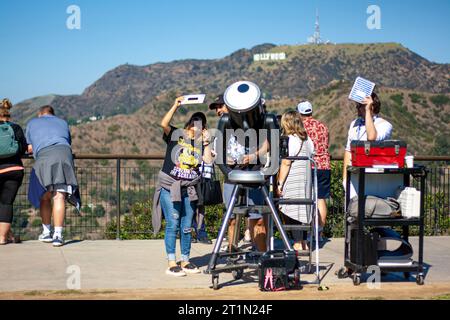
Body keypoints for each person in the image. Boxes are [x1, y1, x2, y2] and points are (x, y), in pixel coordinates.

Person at [152, 97, 213, 277]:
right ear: (188, 126)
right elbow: (163, 123)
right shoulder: (176, 135)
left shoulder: (202, 144)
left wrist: (207, 143)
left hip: (190, 189)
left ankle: (185, 259)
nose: (197, 129)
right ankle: (172, 261)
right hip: (170, 188)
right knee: (173, 223)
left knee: (187, 225)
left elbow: (208, 161)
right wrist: (176, 105)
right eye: (195, 125)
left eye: (201, 126)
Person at [209, 95, 266, 252]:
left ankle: (260, 254)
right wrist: (222, 158)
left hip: (253, 174)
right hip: (231, 176)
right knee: (231, 218)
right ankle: (232, 252)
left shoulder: (252, 122)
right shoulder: (222, 126)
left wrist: (254, 156)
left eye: (220, 106)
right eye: (216, 108)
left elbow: (267, 143)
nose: (218, 110)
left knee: (257, 219)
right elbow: (215, 152)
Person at [26, 105, 78, 247]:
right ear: (52, 114)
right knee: (59, 196)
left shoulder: (32, 123)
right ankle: (58, 235)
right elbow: (67, 141)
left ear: (40, 114)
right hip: (64, 155)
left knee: (45, 196)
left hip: (45, 156)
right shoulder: (63, 122)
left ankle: (46, 233)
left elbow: (29, 147)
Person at [277, 111, 315, 251]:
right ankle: (303, 242)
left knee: (292, 210)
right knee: (302, 210)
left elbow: (286, 162)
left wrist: (279, 183)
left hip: (293, 181)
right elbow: (313, 153)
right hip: (305, 182)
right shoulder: (307, 139)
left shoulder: (290, 139)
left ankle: (298, 245)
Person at [342, 92, 393, 192]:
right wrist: (345, 179)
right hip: (354, 177)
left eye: (360, 106)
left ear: (371, 107)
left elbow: (371, 137)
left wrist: (368, 111)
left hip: (373, 179)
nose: (357, 108)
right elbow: (348, 150)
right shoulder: (355, 123)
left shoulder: (385, 125)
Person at [297, 101, 331, 237]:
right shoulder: (323, 126)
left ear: (300, 113)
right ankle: (320, 232)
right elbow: (326, 144)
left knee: (308, 199)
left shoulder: (301, 127)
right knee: (321, 198)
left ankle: (308, 232)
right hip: (325, 164)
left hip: (309, 165)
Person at [0, 99, 27, 245]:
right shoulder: (15, 128)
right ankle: (3, 237)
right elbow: (22, 148)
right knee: (6, 203)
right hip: (14, 169)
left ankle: (6, 235)